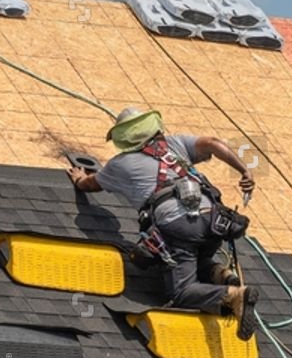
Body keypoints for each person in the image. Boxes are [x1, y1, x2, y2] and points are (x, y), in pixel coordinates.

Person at [68, 107, 259, 339]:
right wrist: (244, 171)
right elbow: (212, 142)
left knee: (181, 292)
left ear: (123, 138)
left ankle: (232, 295)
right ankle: (220, 273)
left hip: (178, 225)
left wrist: (79, 178)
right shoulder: (175, 144)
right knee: (195, 256)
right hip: (215, 220)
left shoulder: (120, 165)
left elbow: (90, 184)